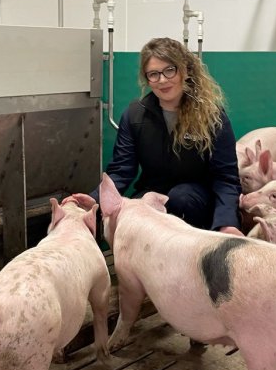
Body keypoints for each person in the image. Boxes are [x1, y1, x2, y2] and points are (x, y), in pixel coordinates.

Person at [89, 37, 243, 236]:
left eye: (170, 70)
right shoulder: (135, 115)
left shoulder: (212, 116)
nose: (162, 80)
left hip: (196, 200)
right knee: (135, 210)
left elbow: (226, 178)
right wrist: (93, 200)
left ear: (185, 70)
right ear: (147, 79)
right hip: (152, 193)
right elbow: (121, 171)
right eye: (153, 74)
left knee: (180, 198)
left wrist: (227, 222)